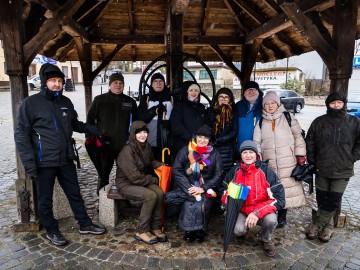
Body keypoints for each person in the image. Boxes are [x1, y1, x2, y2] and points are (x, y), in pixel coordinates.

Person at [14, 63, 106, 246]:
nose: (56, 84)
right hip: (43, 163)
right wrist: (29, 164)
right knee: (45, 200)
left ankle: (85, 223)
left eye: (59, 81)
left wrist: (93, 129)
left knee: (75, 194)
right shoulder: (30, 104)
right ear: (44, 82)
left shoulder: (66, 102)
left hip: (65, 159)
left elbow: (74, 124)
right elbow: (21, 135)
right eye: (52, 81)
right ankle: (52, 230)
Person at [305, 92, 360, 242]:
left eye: (339, 103)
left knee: (334, 198)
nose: (336, 105)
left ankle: (317, 224)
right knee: (322, 198)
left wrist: (352, 158)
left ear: (344, 104)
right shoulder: (319, 122)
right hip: (322, 167)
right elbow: (310, 141)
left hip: (343, 169)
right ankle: (327, 227)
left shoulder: (354, 122)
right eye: (333, 103)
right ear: (328, 104)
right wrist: (313, 160)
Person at [221, 140, 285, 257]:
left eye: (251, 152)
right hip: (242, 210)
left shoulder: (266, 172)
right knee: (238, 230)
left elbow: (279, 199)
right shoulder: (234, 171)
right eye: (245, 152)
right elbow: (223, 190)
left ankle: (266, 239)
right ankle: (243, 230)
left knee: (271, 220)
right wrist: (228, 199)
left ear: (257, 155)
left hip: (261, 211)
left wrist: (256, 213)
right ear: (241, 155)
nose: (248, 155)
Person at [253, 91, 306, 228]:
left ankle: (282, 217)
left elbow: (298, 137)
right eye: (267, 103)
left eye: (273, 103)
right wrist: (258, 158)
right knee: (271, 189)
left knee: (286, 189)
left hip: (287, 160)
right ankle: (271, 214)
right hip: (269, 162)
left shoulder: (288, 117)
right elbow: (256, 142)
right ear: (263, 105)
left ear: (278, 103)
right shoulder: (260, 122)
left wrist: (300, 155)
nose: (270, 106)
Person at [115, 120, 167, 245]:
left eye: (145, 132)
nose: (143, 135)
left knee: (159, 193)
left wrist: (163, 166)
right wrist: (153, 179)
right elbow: (134, 177)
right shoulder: (126, 151)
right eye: (139, 133)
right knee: (150, 196)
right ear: (133, 134)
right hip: (126, 184)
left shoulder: (146, 146)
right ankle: (141, 230)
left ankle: (155, 226)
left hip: (141, 179)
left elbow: (152, 162)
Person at [172, 124, 223, 243]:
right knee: (189, 203)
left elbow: (218, 174)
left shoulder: (214, 153)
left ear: (210, 140)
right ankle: (188, 230)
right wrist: (189, 187)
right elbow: (177, 169)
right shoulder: (186, 150)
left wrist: (203, 188)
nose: (202, 140)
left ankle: (200, 230)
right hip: (188, 185)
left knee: (203, 204)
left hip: (207, 186)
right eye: (200, 137)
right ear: (195, 137)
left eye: (206, 138)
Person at [87, 72, 137, 190]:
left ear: (123, 86)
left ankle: (124, 198)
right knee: (103, 174)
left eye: (121, 83)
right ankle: (102, 202)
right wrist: (89, 138)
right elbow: (89, 121)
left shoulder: (130, 102)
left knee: (125, 174)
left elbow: (136, 123)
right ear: (110, 85)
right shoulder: (99, 100)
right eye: (115, 82)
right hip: (104, 145)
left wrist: (133, 140)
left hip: (124, 145)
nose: (118, 85)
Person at [138, 73, 173, 162]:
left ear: (164, 84)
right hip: (150, 141)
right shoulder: (146, 99)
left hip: (167, 142)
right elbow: (141, 118)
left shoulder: (171, 98)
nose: (158, 83)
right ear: (152, 84)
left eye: (161, 81)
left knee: (165, 168)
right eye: (155, 81)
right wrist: (154, 110)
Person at [207, 87, 238, 176]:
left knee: (226, 174)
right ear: (217, 98)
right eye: (221, 96)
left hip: (227, 149)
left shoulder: (233, 112)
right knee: (212, 171)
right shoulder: (210, 111)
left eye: (226, 97)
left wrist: (220, 139)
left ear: (230, 99)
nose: (224, 99)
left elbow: (234, 131)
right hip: (212, 146)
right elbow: (207, 128)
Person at [170, 81, 206, 154]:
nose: (194, 92)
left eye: (196, 90)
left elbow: (204, 124)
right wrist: (190, 137)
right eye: (191, 90)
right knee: (185, 165)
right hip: (183, 145)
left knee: (202, 164)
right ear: (186, 92)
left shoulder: (201, 107)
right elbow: (176, 125)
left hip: (199, 144)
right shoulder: (179, 106)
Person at [236, 81, 263, 151]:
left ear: (258, 92)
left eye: (253, 90)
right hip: (241, 147)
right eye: (248, 90)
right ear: (244, 93)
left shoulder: (264, 105)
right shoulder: (238, 106)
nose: (251, 92)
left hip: (260, 148)